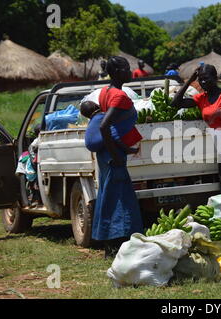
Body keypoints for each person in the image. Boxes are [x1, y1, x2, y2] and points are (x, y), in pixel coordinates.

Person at [171, 64, 221, 192]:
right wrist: (191, 79)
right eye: (200, 79)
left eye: (206, 78)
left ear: (215, 78)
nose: (203, 82)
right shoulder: (200, 98)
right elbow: (175, 103)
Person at [93, 56, 144, 258]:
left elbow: (111, 126)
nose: (130, 71)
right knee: (120, 201)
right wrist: (116, 154)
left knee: (109, 197)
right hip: (113, 154)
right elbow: (104, 125)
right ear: (117, 72)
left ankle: (111, 247)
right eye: (126, 68)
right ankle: (117, 247)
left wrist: (123, 148)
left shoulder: (105, 92)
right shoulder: (118, 96)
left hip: (109, 151)